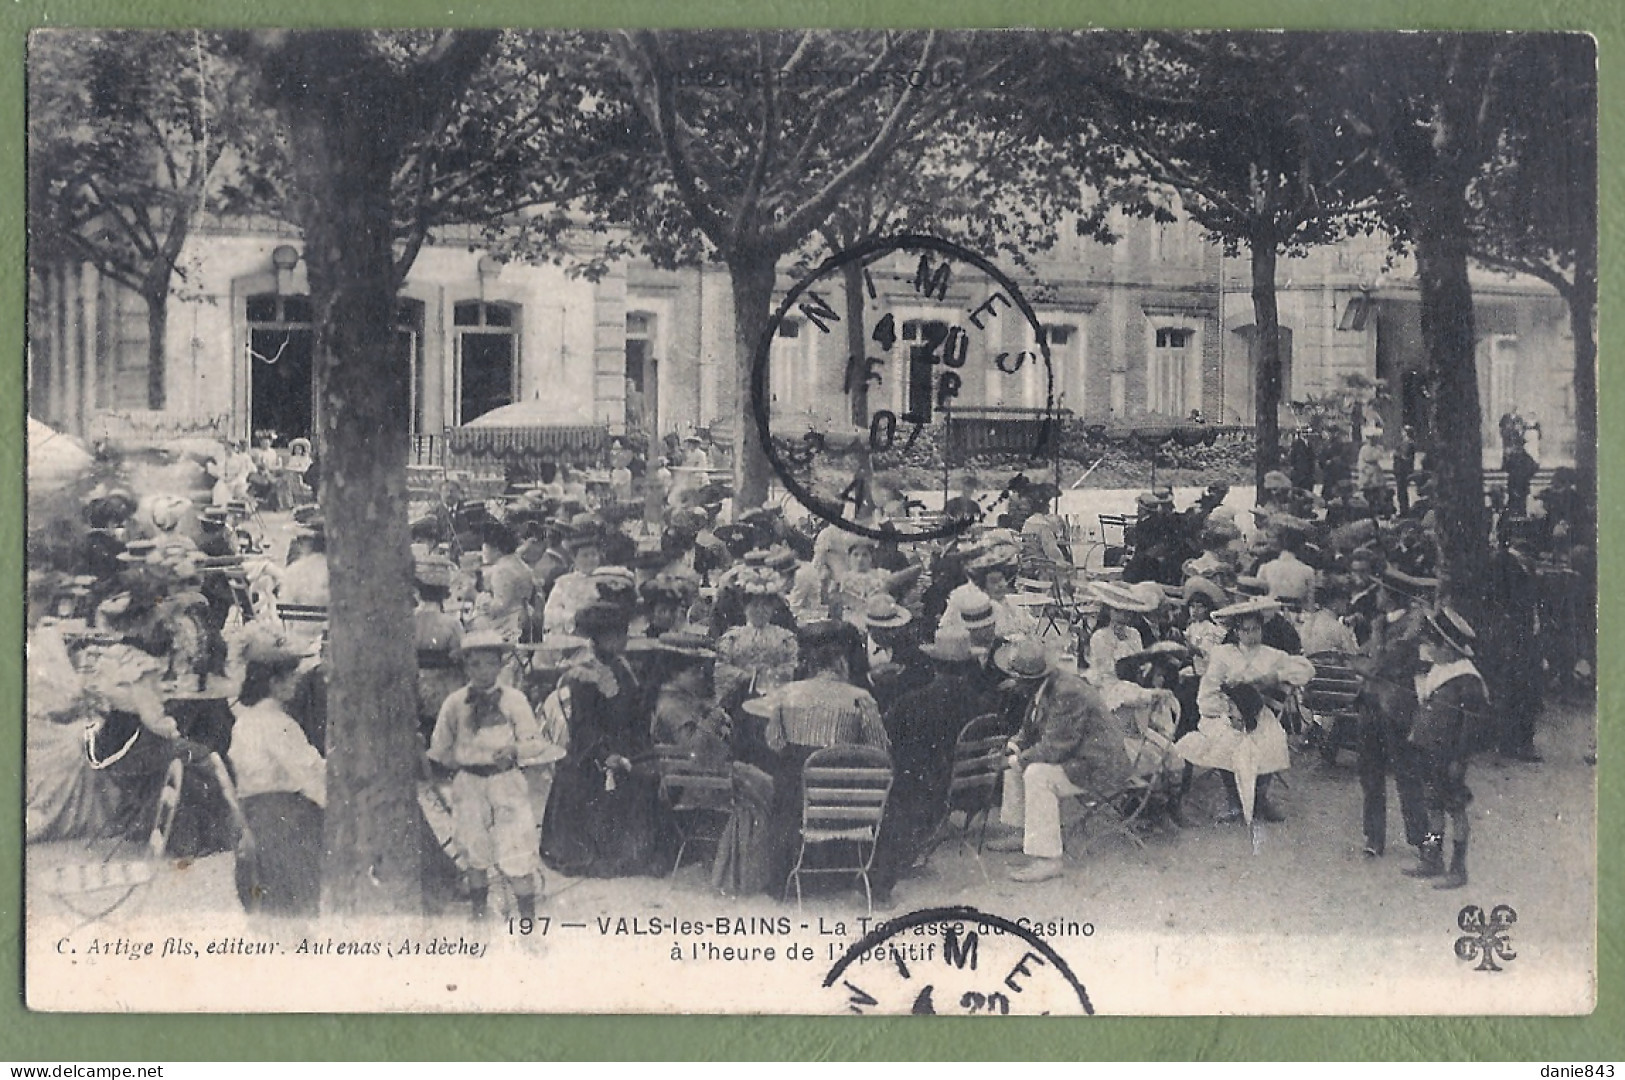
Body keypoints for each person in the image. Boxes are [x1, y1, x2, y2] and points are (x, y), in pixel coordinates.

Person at [428, 630, 555, 919]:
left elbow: (534, 741)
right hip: (470, 784)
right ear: (465, 667)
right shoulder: (455, 703)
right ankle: (478, 915)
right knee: (475, 849)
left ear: (500, 665)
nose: (483, 671)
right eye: (474, 664)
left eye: (489, 663)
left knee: (516, 846)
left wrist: (514, 750)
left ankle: (527, 921)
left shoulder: (514, 700)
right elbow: (441, 747)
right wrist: (460, 767)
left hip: (506, 782)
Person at [541, 603, 666, 878]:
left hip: (623, 739)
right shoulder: (586, 674)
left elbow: (633, 709)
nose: (623, 641)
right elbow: (583, 725)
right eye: (616, 636)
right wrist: (603, 752)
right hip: (593, 750)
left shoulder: (620, 665)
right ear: (599, 638)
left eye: (623, 634)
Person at [870, 627, 993, 904]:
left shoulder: (913, 701)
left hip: (923, 790)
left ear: (935, 664)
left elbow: (884, 737)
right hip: (970, 787)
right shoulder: (982, 703)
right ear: (966, 666)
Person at [985, 638, 1118, 883]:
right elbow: (1028, 730)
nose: (1013, 682)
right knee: (1017, 761)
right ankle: (1023, 830)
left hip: (1097, 767)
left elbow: (1055, 748)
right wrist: (1011, 748)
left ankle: (1048, 859)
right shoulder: (1045, 687)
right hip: (1077, 759)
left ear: (1030, 679)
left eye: (1017, 678)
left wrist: (1014, 760)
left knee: (1036, 773)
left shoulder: (1066, 692)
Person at [1178, 599, 1315, 825]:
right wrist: (1227, 710)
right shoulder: (1223, 654)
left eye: (1256, 629)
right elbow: (1209, 690)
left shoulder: (1272, 655)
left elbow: (1306, 669)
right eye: (1246, 630)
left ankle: (1260, 799)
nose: (1251, 635)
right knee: (1227, 740)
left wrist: (1274, 677)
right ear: (1236, 631)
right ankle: (1234, 801)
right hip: (1224, 713)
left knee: (1271, 738)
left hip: (1258, 714)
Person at [228, 634, 326, 916]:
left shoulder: (246, 721)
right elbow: (308, 776)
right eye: (290, 677)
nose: (296, 682)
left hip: (253, 810)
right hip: (280, 817)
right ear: (273, 683)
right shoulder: (277, 724)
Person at [1404, 609, 1491, 889]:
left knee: (1455, 809)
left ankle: (1458, 867)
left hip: (1449, 756)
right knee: (1432, 806)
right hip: (1428, 751)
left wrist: (1459, 759)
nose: (1429, 650)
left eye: (1434, 645)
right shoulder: (1440, 670)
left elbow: (1471, 728)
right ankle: (1432, 857)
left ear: (1449, 648)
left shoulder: (1468, 680)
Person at [1351, 567, 1431, 860]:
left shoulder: (1411, 627)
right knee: (1369, 774)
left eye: (1381, 591)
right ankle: (1374, 837)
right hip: (1370, 705)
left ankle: (1421, 836)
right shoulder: (1382, 623)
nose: (1377, 596)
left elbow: (1375, 662)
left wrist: (1369, 657)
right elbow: (1360, 657)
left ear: (1392, 595)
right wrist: (1369, 659)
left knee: (1406, 773)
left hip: (1397, 708)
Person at [541, 518, 606, 635]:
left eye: (594, 554)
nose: (590, 559)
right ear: (574, 558)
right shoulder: (564, 582)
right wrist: (572, 616)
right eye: (585, 556)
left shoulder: (607, 579)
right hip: (569, 635)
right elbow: (549, 614)